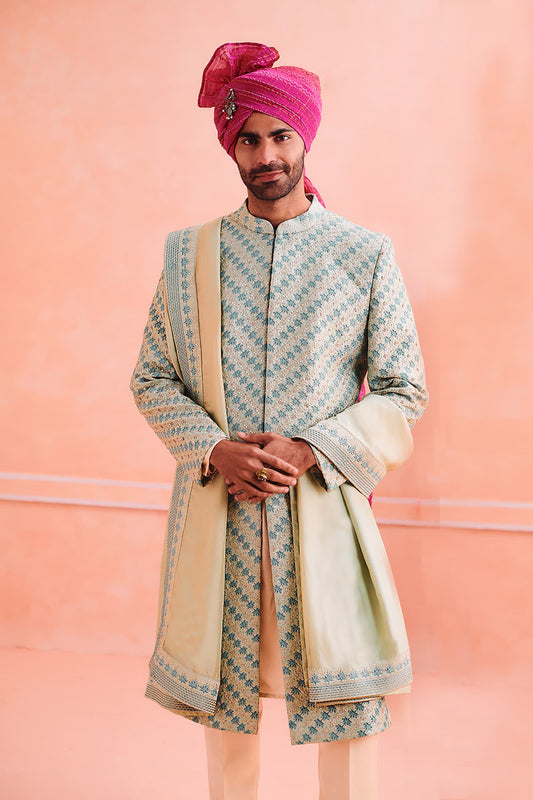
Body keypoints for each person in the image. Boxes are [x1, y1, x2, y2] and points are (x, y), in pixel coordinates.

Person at [130, 41, 428, 800]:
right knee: (225, 720)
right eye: (249, 139)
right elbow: (152, 376)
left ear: (305, 139)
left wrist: (309, 448)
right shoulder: (187, 256)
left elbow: (400, 389)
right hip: (219, 517)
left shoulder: (363, 255)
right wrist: (213, 449)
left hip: (323, 515)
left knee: (348, 709)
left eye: (280, 136)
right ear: (232, 147)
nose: (265, 154)